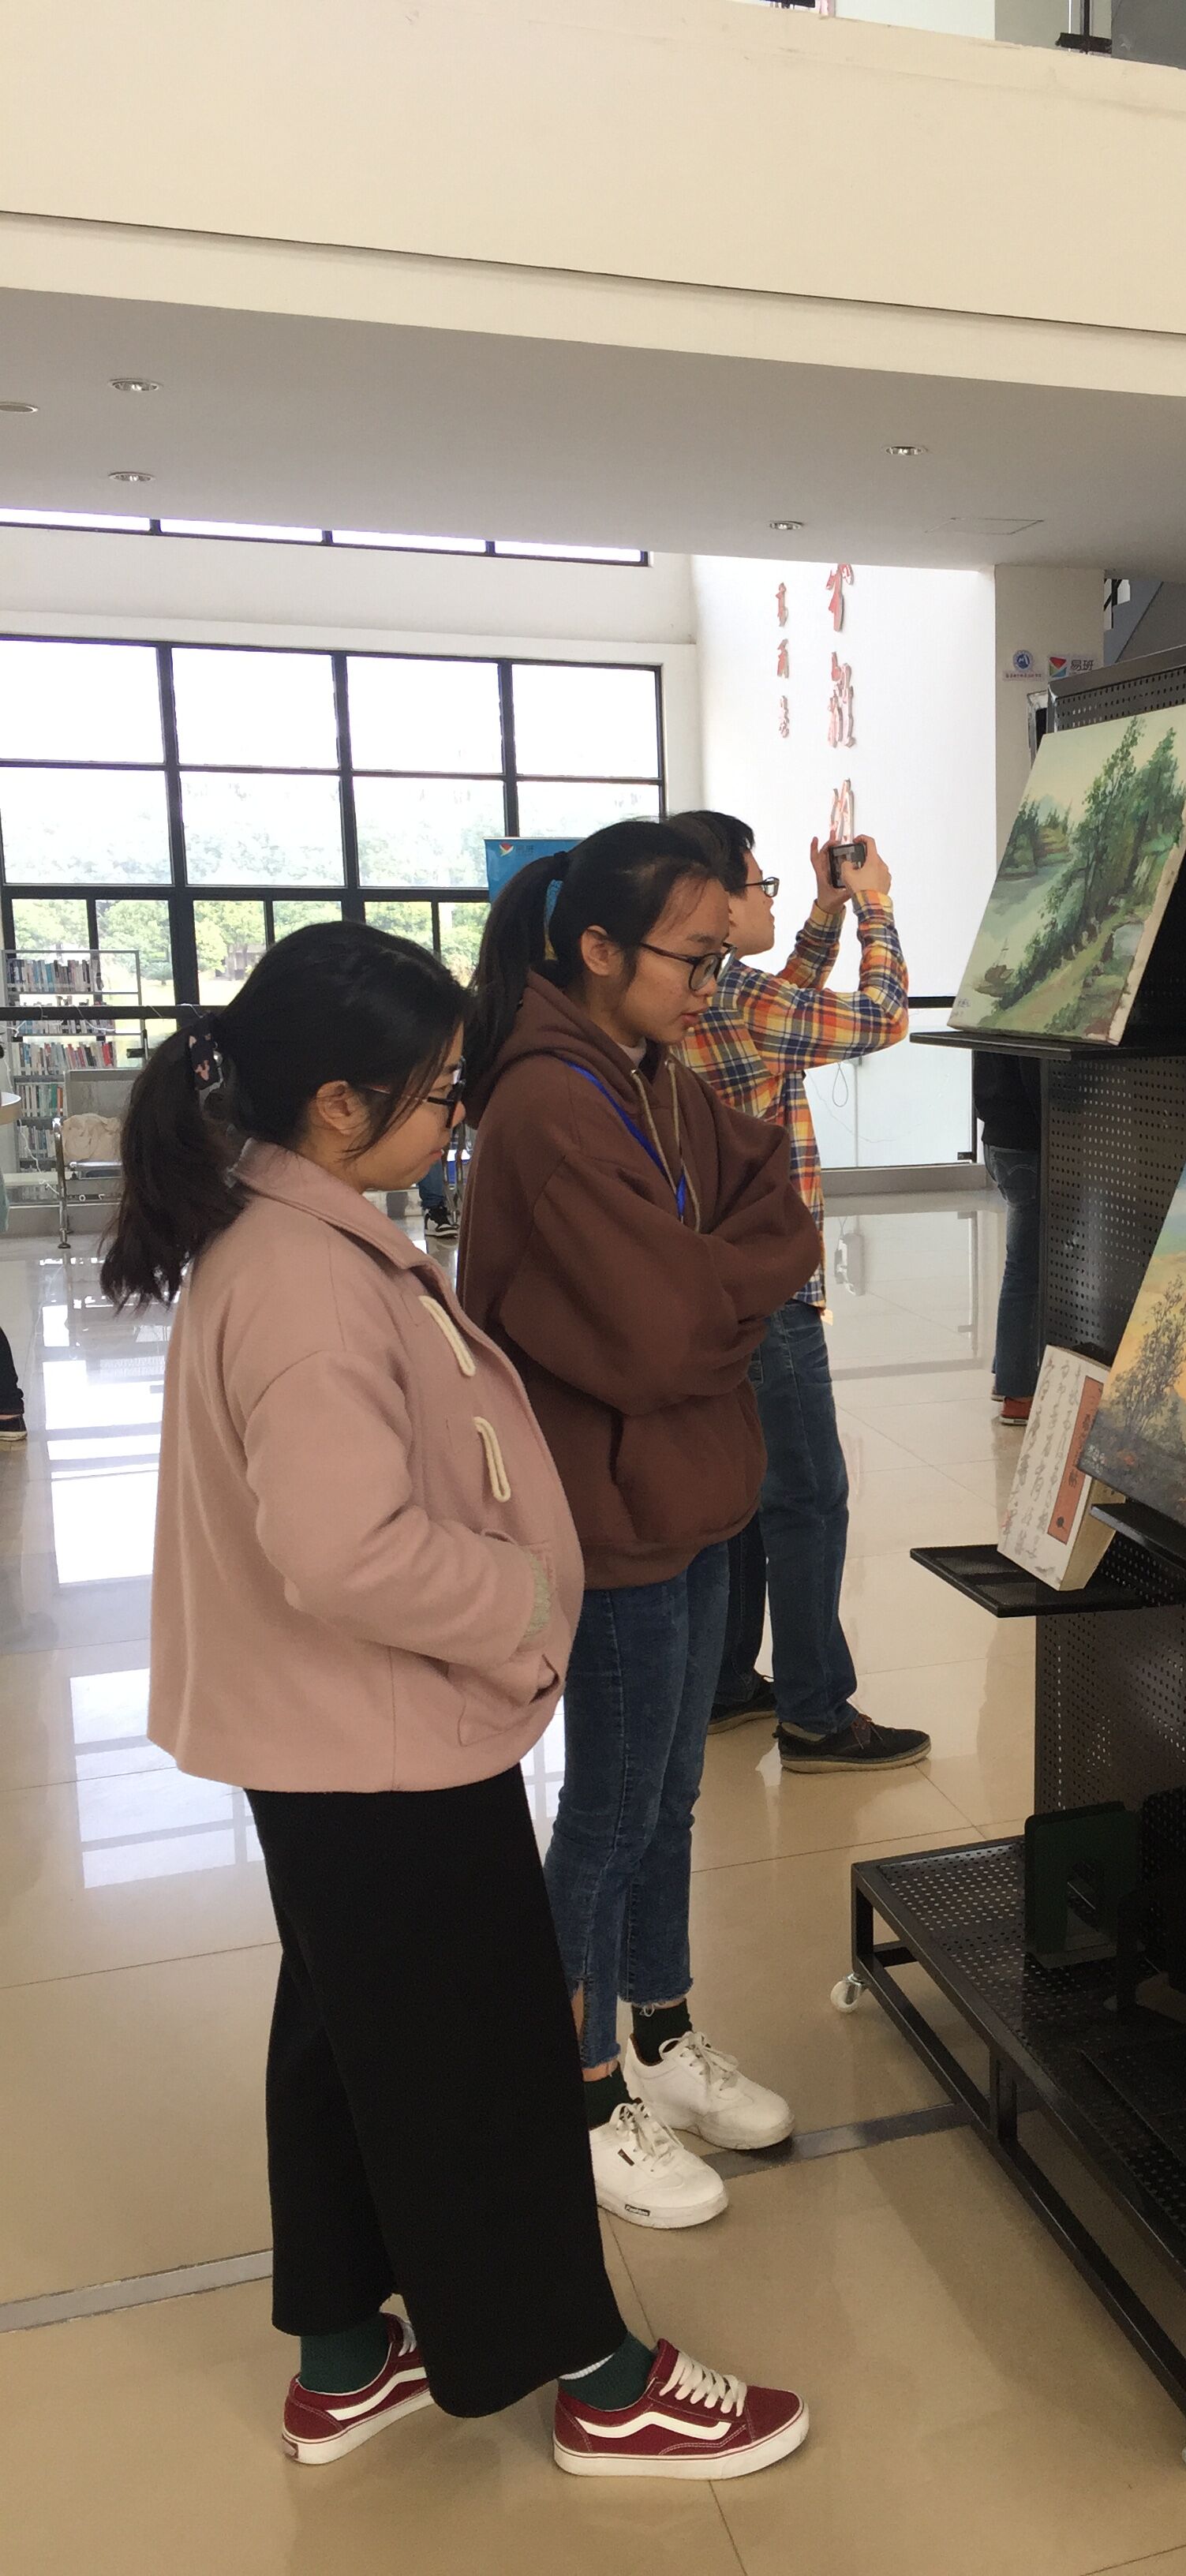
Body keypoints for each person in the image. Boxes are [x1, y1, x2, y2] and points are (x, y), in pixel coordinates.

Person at [100, 922, 804, 2481]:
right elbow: (344, 1549)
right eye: (434, 1095)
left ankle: (345, 2355)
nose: (457, 1117)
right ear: (338, 1106)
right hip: (377, 1742)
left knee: (348, 2037)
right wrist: (525, 1604)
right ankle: (594, 2374)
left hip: (330, 1739)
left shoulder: (289, 1225)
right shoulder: (302, 1278)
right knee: (483, 2062)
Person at [459, 822, 822, 2210]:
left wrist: (703, 1293)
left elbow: (777, 1203)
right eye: (694, 959)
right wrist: (716, 1302)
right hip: (609, 1514)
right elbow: (664, 1330)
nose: (710, 986)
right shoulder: (549, 1106)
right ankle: (576, 2082)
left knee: (672, 1795)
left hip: (689, 1485)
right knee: (610, 1812)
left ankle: (659, 2033)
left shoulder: (653, 1076)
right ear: (598, 948)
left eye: (720, 957)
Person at [674, 811, 930, 1773]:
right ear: (712, 901)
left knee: (742, 1492)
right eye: (761, 885)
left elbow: (783, 998)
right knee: (810, 1497)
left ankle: (727, 1683)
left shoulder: (699, 994)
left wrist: (822, 914)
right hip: (769, 1291)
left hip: (706, 1283)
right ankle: (818, 1713)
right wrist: (874, 906)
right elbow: (884, 1017)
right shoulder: (742, 1001)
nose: (771, 898)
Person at [973, 1052, 1044, 1425]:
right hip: (1029, 1142)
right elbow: (1036, 1080)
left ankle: (1008, 1375)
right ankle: (1019, 1393)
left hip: (998, 1139)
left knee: (1020, 1264)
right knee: (1027, 1270)